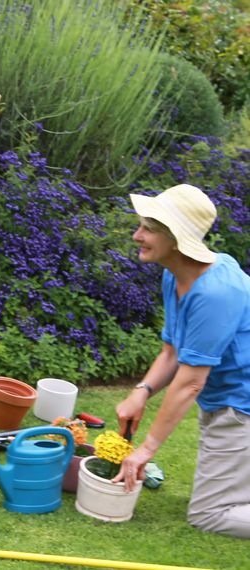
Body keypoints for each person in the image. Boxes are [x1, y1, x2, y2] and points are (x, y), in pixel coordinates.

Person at [114, 183, 250, 539]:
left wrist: (146, 449)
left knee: (210, 515)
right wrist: (141, 391)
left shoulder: (217, 292)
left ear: (176, 238)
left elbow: (191, 381)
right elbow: (173, 351)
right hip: (228, 401)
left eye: (149, 229)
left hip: (241, 405)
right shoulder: (174, 275)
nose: (136, 235)